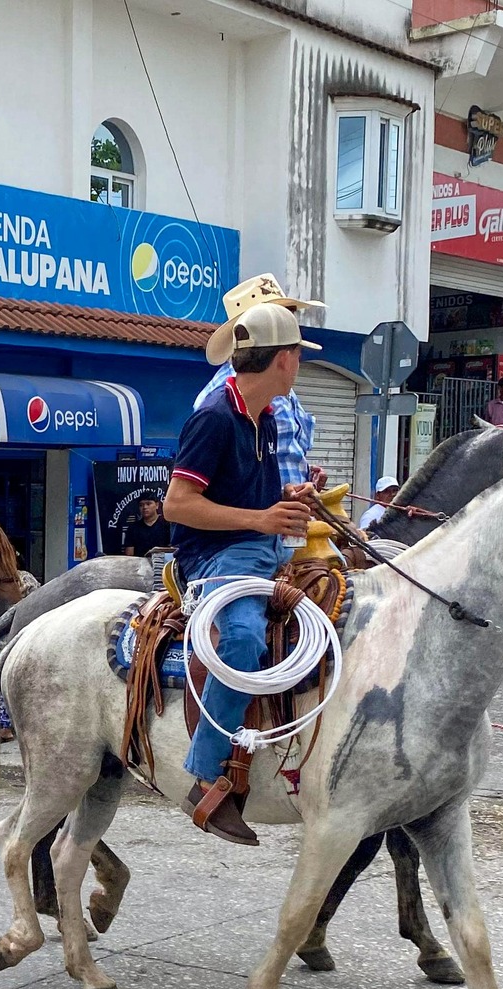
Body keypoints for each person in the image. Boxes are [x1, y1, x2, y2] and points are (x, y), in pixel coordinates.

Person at [166, 301, 316, 846]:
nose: (299, 364)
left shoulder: (265, 417)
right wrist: (260, 519)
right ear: (283, 359)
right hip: (217, 559)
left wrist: (290, 494)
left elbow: (253, 492)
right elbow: (177, 505)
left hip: (263, 549)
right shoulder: (214, 419)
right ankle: (207, 773)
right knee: (245, 638)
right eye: (298, 354)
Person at [194, 274, 325, 491]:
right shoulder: (219, 404)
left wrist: (305, 473)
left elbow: (274, 457)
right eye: (281, 316)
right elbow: (184, 499)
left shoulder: (277, 391)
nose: (291, 324)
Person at [120, 490, 175, 557]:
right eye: (141, 505)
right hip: (140, 562)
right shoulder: (133, 528)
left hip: (163, 561)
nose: (145, 507)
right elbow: (129, 555)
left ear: (157, 505)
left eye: (148, 504)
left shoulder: (167, 525)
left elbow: (173, 550)